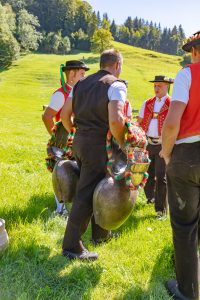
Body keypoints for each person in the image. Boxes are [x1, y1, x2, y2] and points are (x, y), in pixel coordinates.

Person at [60, 49, 129, 260]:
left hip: (80, 142)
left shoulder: (80, 84)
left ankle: (101, 234)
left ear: (101, 64)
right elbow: (116, 121)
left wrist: (76, 131)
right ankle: (71, 246)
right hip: (100, 145)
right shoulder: (116, 85)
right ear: (117, 65)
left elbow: (64, 115)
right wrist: (123, 142)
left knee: (99, 186)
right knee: (87, 193)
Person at [161, 31, 200, 300]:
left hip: (188, 154)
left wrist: (165, 152)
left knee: (185, 226)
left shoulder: (188, 73)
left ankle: (188, 291)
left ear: (195, 51)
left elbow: (173, 121)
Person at [42, 60, 89, 215]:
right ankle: (60, 210)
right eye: (82, 73)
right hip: (63, 142)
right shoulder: (60, 94)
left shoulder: (76, 92)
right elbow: (47, 116)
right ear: (72, 74)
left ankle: (72, 205)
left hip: (75, 139)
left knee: (73, 172)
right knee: (61, 174)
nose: (84, 77)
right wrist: (55, 136)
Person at [138, 75, 174, 220]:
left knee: (161, 176)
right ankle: (150, 198)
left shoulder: (172, 104)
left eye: (159, 85)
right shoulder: (147, 103)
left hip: (163, 144)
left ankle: (161, 210)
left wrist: (168, 146)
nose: (156, 88)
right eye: (155, 85)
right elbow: (139, 121)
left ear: (167, 86)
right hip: (147, 143)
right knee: (147, 174)